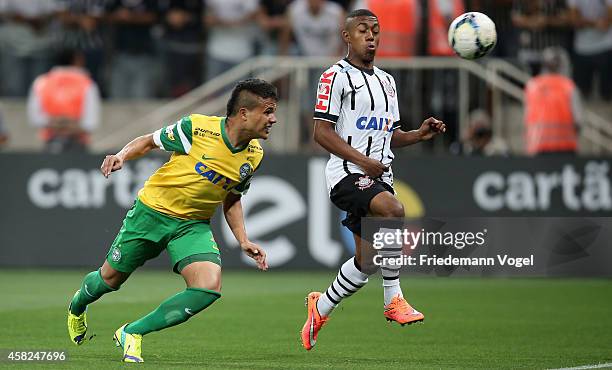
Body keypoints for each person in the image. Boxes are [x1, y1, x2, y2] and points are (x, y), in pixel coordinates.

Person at [66, 79, 277, 362]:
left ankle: (132, 332)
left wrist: (243, 239)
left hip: (192, 226)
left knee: (207, 287)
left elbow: (232, 198)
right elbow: (148, 141)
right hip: (151, 213)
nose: (273, 119)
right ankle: (78, 304)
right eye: (267, 111)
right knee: (109, 280)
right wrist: (121, 156)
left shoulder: (254, 155)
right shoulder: (197, 127)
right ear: (243, 113)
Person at [301, 9, 446, 351]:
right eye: (363, 30)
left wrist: (418, 135)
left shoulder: (387, 81)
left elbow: (389, 135)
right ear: (347, 36)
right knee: (394, 211)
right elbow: (321, 133)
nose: (371, 36)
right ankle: (393, 299)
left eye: (376, 31)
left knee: (366, 264)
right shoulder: (334, 77)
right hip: (347, 174)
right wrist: (363, 160)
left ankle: (319, 308)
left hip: (379, 176)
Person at [27, 49, 101, 153]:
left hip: (50, 143)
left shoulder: (41, 82)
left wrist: (56, 123)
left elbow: (35, 118)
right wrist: (70, 125)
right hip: (78, 145)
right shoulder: (87, 84)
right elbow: (90, 122)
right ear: (77, 61)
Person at [523, 47, 582, 155]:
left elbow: (527, 116)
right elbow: (578, 120)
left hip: (537, 146)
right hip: (566, 147)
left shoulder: (532, 85)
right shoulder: (569, 86)